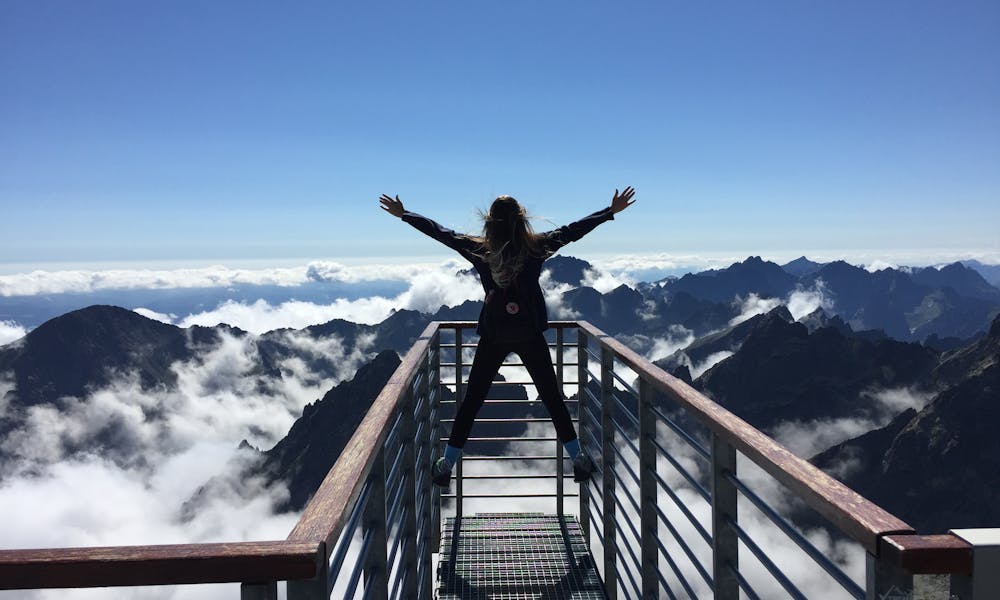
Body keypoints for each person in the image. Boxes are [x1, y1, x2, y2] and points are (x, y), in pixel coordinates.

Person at [379, 188, 636, 487]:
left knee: (472, 399)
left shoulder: (480, 250)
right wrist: (609, 211)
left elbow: (442, 233)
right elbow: (572, 231)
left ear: (490, 222)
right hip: (529, 334)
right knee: (552, 398)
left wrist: (405, 215)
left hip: (494, 334)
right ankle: (578, 457)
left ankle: (447, 463)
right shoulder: (536, 248)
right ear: (521, 220)